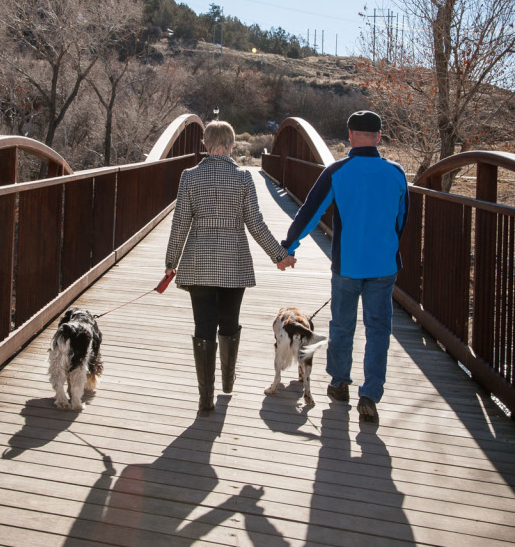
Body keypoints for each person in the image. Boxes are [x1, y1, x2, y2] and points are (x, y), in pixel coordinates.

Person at [278, 110, 408, 423]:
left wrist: (288, 247)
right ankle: (370, 393)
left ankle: (339, 382)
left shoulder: (338, 171)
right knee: (378, 329)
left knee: (342, 324)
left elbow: (310, 213)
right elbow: (402, 220)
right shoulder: (396, 173)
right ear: (378, 137)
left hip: (347, 264)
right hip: (383, 264)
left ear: (350, 136)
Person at [165, 120, 293, 415]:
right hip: (234, 263)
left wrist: (171, 263)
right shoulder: (243, 178)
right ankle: (227, 382)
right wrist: (279, 255)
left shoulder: (190, 177)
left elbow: (180, 223)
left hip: (197, 263)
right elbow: (256, 224)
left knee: (203, 327)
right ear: (232, 145)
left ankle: (205, 398)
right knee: (229, 322)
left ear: (205, 145)